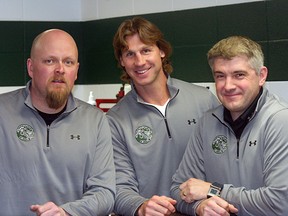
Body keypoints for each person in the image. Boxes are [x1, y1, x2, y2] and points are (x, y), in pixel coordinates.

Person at [106, 16, 219, 216]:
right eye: (130, 54)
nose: (139, 61)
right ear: (122, 61)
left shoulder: (204, 101)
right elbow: (119, 187)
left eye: (146, 50)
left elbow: (226, 164)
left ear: (161, 51)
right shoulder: (115, 120)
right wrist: (141, 206)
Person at [0, 29, 115, 215]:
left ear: (76, 71)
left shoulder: (95, 121)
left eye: (68, 62)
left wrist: (67, 212)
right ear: (31, 67)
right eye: (50, 61)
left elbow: (105, 193)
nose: (60, 69)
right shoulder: (2, 113)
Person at [171, 36, 288, 215]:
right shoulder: (207, 122)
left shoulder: (280, 120)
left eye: (239, 75)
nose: (228, 85)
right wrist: (198, 206)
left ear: (261, 75)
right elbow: (179, 189)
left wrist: (213, 190)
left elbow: (280, 202)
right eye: (220, 76)